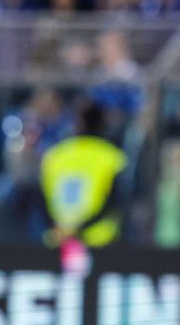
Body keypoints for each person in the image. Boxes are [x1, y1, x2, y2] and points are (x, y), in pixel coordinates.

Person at [40, 102, 128, 249]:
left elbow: (42, 197)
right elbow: (115, 201)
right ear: (103, 124)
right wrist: (80, 229)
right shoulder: (113, 157)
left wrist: (60, 228)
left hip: (59, 240)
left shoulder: (56, 154)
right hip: (99, 242)